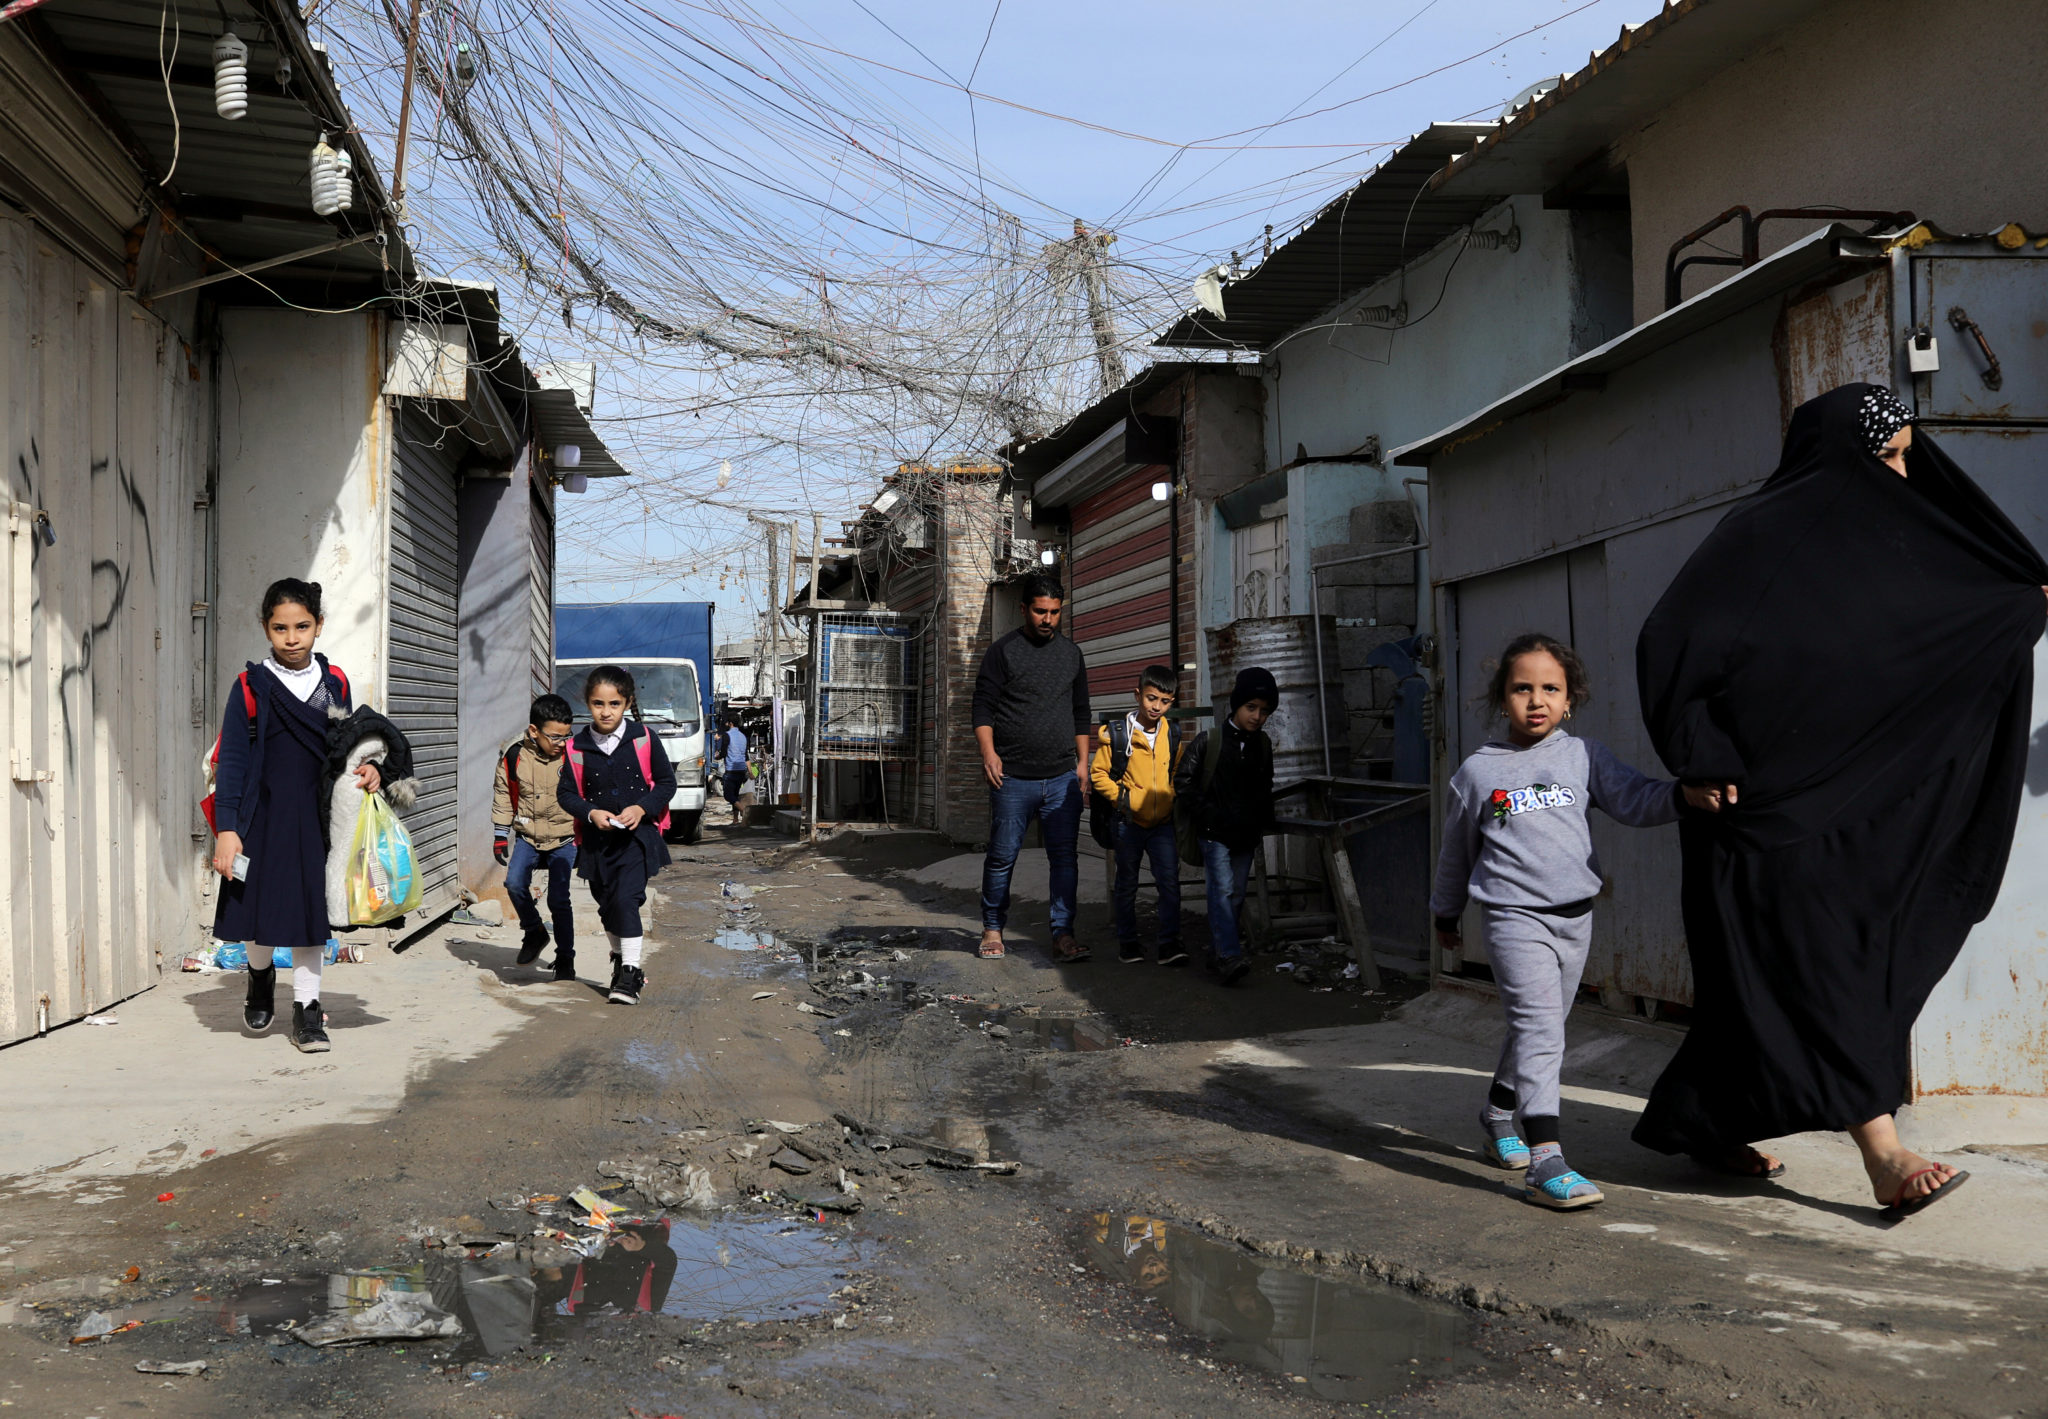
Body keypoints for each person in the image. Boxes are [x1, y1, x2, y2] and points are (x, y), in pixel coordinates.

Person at [1634, 383, 2048, 1220]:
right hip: (1758, 815)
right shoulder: (1756, 538)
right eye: (1887, 455)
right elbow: (1669, 641)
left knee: (1785, 983)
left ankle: (1704, 1118)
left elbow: (1920, 650)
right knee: (1828, 973)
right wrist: (1699, 756)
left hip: (1850, 813)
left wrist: (2012, 609)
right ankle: (1885, 1154)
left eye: (1907, 456)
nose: (1902, 473)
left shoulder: (1898, 546)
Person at [1429, 634, 1722, 1211]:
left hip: (1575, 919)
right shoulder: (1478, 773)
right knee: (1542, 1031)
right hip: (1513, 919)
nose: (1536, 700)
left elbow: (1635, 799)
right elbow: (1455, 855)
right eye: (1522, 688)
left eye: (1551, 689)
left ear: (1570, 700)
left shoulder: (1583, 757)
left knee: (1538, 1026)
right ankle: (1546, 1161)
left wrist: (1685, 797)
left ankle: (1497, 1115)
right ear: (1502, 697)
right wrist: (1446, 912)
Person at [210, 578, 381, 1053]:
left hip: (314, 817)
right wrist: (227, 830)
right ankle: (260, 976)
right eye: (280, 628)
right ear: (266, 628)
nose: (291, 638)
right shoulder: (251, 686)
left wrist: (371, 768)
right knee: (257, 908)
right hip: (259, 816)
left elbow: (347, 747)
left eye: (302, 627)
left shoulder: (334, 683)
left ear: (319, 625)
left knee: (309, 913)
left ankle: (307, 1008)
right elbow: (233, 763)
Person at [971, 573, 1092, 962]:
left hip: (1061, 778)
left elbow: (1081, 712)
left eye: (1055, 612)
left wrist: (1083, 764)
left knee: (1064, 859)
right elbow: (982, 707)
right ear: (1024, 609)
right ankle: (992, 929)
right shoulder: (1002, 652)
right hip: (1012, 779)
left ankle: (1063, 935)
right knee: (1002, 856)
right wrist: (989, 754)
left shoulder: (1071, 654)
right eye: (1040, 611)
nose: (1048, 619)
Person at [558, 665, 677, 1005]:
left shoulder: (644, 738)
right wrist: (591, 813)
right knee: (608, 905)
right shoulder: (576, 746)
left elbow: (666, 784)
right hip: (597, 844)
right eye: (598, 703)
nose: (606, 711)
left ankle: (630, 972)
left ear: (627, 703)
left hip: (636, 841)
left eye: (614, 704)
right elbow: (566, 794)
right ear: (588, 703)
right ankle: (619, 960)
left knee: (626, 900)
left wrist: (641, 808)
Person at [1174, 668, 1278, 987]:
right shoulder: (1210, 741)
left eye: (1264, 711)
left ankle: (1218, 951)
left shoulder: (1263, 745)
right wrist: (1208, 814)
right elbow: (1183, 781)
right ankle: (1230, 956)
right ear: (1236, 706)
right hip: (1214, 834)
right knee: (1222, 891)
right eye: (1251, 708)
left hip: (1244, 836)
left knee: (1235, 896)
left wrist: (1262, 820)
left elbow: (1265, 786)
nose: (1257, 716)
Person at [1091, 664, 1187, 966]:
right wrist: (1125, 800)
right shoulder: (1118, 734)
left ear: (1172, 702)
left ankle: (1169, 944)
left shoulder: (1172, 734)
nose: (1157, 706)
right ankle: (1128, 942)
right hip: (1128, 823)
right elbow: (1098, 774)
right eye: (1151, 698)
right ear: (1138, 695)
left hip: (1163, 825)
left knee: (1169, 882)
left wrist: (1170, 795)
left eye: (1165, 701)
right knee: (1127, 883)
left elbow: (1177, 771)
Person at [494, 693, 579, 978]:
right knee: (514, 883)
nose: (561, 743)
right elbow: (503, 794)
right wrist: (500, 834)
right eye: (554, 737)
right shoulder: (514, 755)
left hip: (565, 837)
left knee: (559, 900)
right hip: (528, 836)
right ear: (534, 730)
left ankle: (565, 958)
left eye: (566, 736)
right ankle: (534, 931)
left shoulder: (574, 755)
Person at [720, 715, 750, 822]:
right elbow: (745, 756)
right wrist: (750, 772)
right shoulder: (743, 736)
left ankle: (745, 811)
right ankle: (735, 819)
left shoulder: (726, 735)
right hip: (742, 770)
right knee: (735, 795)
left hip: (731, 769)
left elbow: (723, 753)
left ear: (730, 723)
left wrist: (717, 756)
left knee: (728, 795)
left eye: (727, 722)